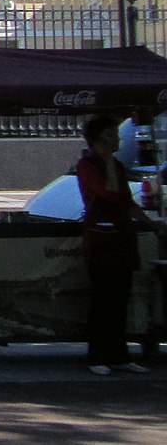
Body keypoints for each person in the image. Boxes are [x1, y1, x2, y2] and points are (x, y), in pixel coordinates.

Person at [77, 113, 167, 375]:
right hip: (102, 240)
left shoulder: (116, 164)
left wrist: (150, 223)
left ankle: (118, 354)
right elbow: (110, 193)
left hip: (122, 239)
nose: (117, 139)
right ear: (100, 139)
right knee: (103, 298)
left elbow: (127, 201)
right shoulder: (89, 165)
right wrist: (105, 161)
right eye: (113, 135)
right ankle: (98, 356)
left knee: (120, 297)